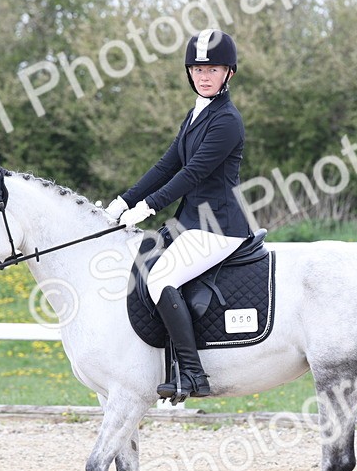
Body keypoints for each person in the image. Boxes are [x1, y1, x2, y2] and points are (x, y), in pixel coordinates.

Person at [105, 28, 252, 401]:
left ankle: (193, 374)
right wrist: (125, 200)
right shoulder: (196, 114)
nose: (204, 76)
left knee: (160, 279)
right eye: (198, 69)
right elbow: (166, 165)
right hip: (190, 222)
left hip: (219, 225)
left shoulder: (227, 120)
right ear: (189, 72)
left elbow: (192, 174)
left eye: (213, 69)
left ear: (228, 73)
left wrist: (149, 206)